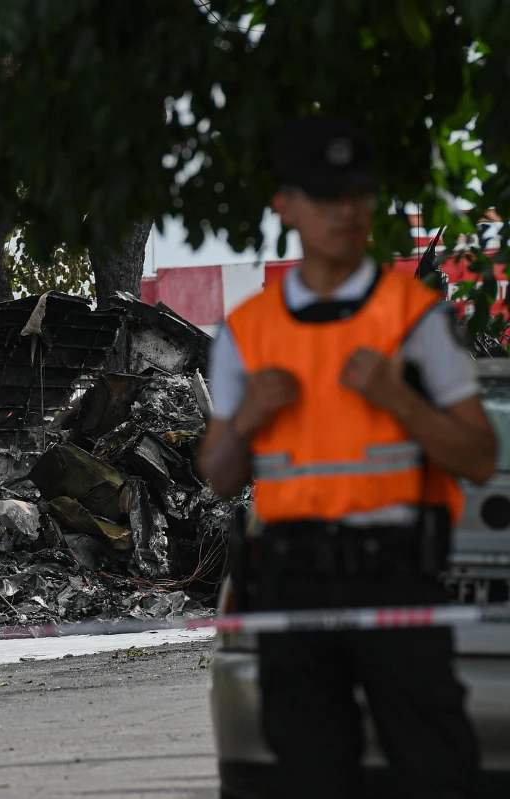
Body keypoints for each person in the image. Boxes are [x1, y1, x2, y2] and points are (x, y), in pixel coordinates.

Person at [198, 115, 496, 799]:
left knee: (436, 775)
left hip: (396, 584)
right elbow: (217, 475)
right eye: (325, 193)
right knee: (307, 779)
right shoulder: (249, 330)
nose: (345, 209)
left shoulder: (417, 319)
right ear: (286, 204)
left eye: (358, 192)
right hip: (294, 594)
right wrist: (246, 420)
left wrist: (402, 400)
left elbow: (479, 456)